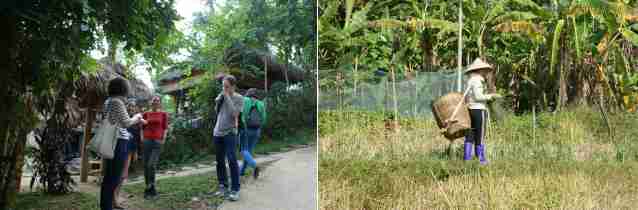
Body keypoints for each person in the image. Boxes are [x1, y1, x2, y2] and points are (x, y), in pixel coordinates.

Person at [100, 78, 146, 210]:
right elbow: (126, 123)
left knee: (110, 177)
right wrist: (137, 117)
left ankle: (106, 206)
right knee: (113, 177)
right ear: (122, 88)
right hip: (119, 142)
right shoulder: (116, 102)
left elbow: (116, 123)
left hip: (113, 140)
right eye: (127, 86)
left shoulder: (108, 101)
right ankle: (107, 207)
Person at [211, 75, 244, 201]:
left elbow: (234, 114)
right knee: (219, 161)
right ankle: (223, 185)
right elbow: (218, 113)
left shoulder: (239, 98)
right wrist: (218, 101)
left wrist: (227, 97)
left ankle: (235, 189)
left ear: (233, 87)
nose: (224, 89)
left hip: (230, 133)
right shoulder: (222, 97)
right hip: (217, 132)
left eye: (227, 86)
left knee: (231, 160)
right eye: (223, 86)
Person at [463, 58, 502, 165]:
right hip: (479, 109)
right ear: (480, 70)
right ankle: (481, 159)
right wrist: (491, 96)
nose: (485, 72)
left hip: (470, 109)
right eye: (484, 70)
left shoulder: (470, 80)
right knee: (480, 134)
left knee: (470, 134)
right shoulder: (478, 80)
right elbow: (478, 96)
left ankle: (467, 158)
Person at [112, 99, 143, 208]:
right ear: (126, 107)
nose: (131, 107)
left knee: (123, 175)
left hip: (130, 149)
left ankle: (115, 197)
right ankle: (114, 199)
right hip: (120, 148)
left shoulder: (136, 120)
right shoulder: (123, 119)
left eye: (133, 106)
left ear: (136, 108)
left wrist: (135, 152)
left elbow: (138, 138)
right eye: (129, 105)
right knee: (119, 174)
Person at [141, 96, 169, 199]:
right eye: (153, 100)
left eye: (157, 101)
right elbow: (142, 128)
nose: (155, 102)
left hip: (157, 142)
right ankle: (148, 188)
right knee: (145, 165)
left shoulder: (163, 114)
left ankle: (151, 186)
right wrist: (142, 139)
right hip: (147, 141)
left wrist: (163, 139)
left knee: (151, 165)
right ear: (150, 102)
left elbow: (165, 128)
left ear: (160, 103)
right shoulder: (145, 114)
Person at [240, 88, 267, 178]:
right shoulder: (261, 103)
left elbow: (241, 115)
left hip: (246, 129)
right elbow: (264, 119)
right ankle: (242, 171)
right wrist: (258, 126)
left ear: (248, 94)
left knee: (243, 150)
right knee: (249, 151)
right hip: (256, 130)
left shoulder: (245, 100)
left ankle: (255, 166)